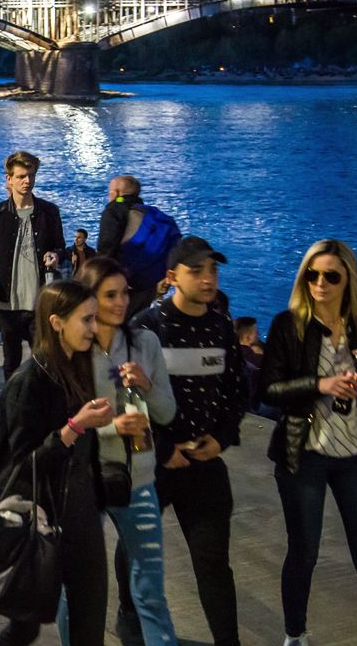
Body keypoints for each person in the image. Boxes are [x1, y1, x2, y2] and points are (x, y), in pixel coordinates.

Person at [259, 238, 357, 646]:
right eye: (312, 274)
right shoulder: (288, 324)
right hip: (305, 455)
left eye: (330, 276)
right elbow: (267, 389)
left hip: (355, 454)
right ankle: (295, 634)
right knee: (304, 552)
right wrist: (320, 384)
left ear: (347, 280)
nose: (320, 282)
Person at [130, 235, 246, 646]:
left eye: (212, 269)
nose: (208, 278)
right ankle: (130, 631)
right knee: (137, 559)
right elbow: (127, 397)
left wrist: (222, 437)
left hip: (204, 462)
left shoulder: (221, 327)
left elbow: (235, 392)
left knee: (214, 563)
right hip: (154, 466)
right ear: (172, 277)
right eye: (196, 270)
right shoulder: (147, 328)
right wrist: (163, 449)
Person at [0, 281, 115, 646]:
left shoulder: (82, 371)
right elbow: (15, 472)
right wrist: (73, 428)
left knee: (89, 623)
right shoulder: (27, 383)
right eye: (87, 319)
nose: (95, 328)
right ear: (57, 322)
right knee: (24, 627)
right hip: (39, 522)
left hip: (82, 513)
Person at [73, 257, 178, 646]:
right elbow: (62, 428)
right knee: (79, 589)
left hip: (139, 479)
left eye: (125, 293)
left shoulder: (144, 342)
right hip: (86, 481)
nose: (120, 303)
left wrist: (147, 385)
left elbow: (167, 412)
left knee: (150, 588)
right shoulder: (72, 349)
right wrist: (112, 427)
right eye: (109, 295)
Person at [0, 151, 66, 381]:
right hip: (8, 303)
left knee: (45, 361)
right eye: (22, 176)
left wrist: (56, 255)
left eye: (31, 176)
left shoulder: (49, 212)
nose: (27, 181)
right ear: (9, 179)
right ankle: (12, 408)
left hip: (40, 302)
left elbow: (63, 248)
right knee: (11, 363)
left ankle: (41, 409)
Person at [96, 175, 181, 317]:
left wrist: (99, 277)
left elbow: (107, 245)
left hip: (123, 281)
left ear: (117, 192)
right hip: (149, 285)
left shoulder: (113, 210)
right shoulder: (151, 213)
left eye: (110, 192)